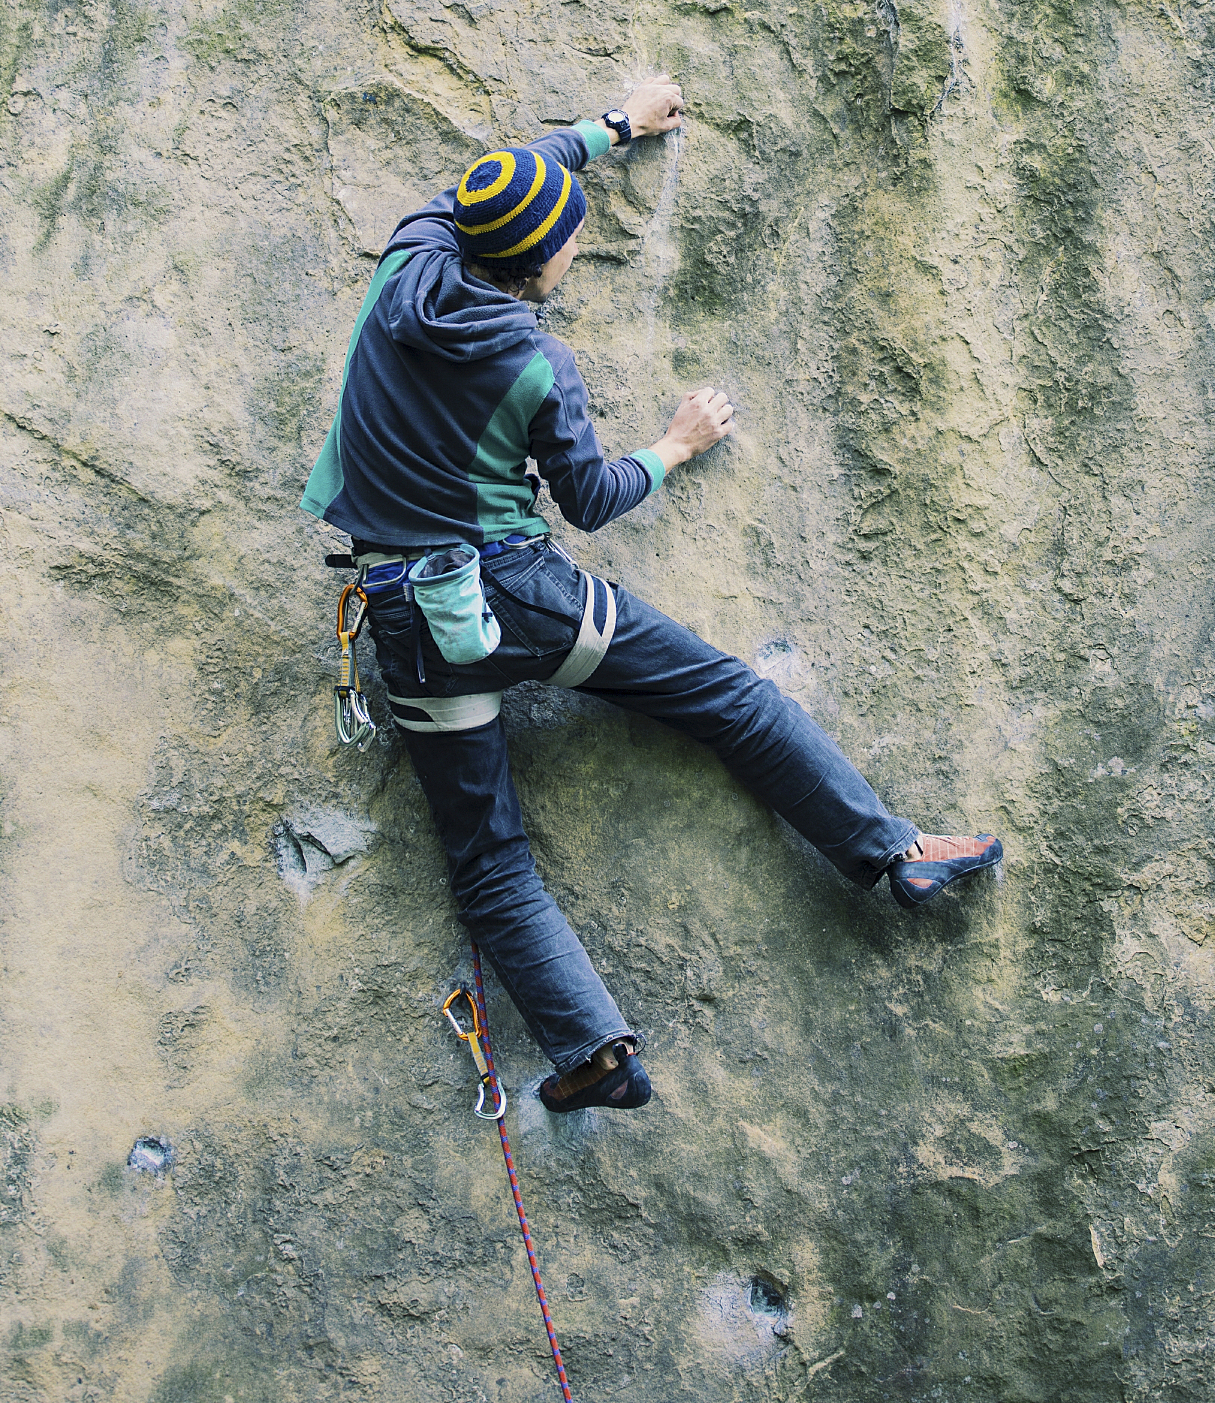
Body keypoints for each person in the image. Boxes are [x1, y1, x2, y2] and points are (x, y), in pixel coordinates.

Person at [302, 75, 1002, 1114]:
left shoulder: (413, 249)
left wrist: (614, 128)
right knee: (732, 698)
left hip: (411, 621)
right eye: (569, 238)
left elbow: (501, 179)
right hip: (525, 597)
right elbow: (587, 495)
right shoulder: (537, 362)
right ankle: (890, 851)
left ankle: (594, 1051)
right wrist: (674, 444)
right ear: (538, 264)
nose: (575, 246)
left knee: (490, 861)